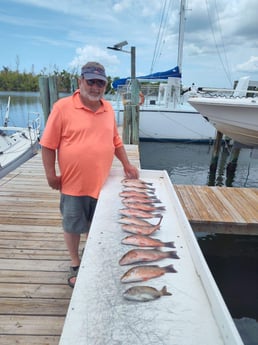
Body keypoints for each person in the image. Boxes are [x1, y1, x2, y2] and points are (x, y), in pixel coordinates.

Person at [40, 61, 139, 288]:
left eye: (100, 83)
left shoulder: (108, 109)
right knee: (73, 225)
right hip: (73, 185)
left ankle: (91, 254)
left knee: (97, 224)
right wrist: (50, 175)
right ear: (80, 81)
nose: (95, 87)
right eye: (91, 81)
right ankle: (75, 262)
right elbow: (47, 145)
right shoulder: (62, 107)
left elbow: (115, 140)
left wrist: (126, 164)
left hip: (102, 184)